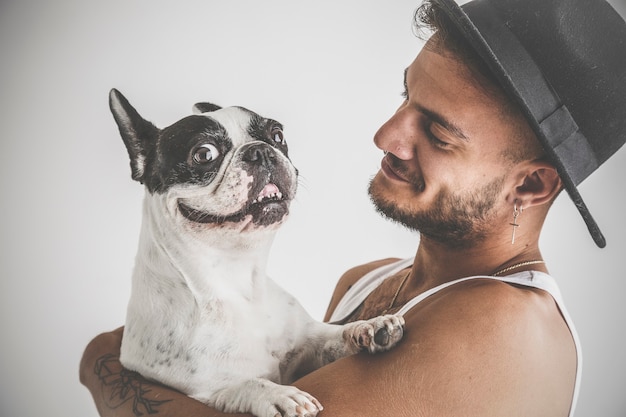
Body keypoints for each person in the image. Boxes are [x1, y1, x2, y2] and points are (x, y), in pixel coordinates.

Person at [80, 0, 626, 416]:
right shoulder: (366, 282)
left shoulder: (504, 326)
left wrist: (102, 361)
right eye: (405, 96)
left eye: (436, 130)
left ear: (531, 184)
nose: (386, 134)